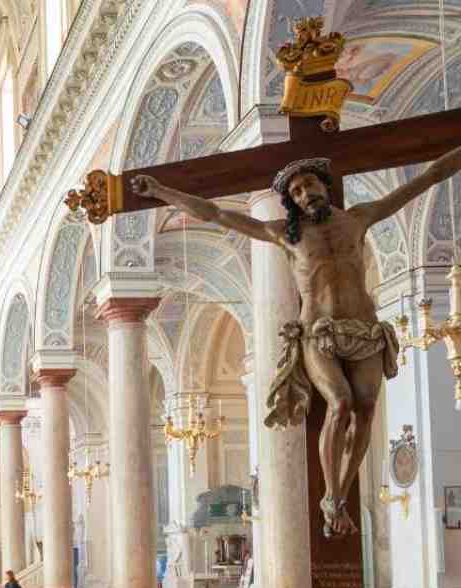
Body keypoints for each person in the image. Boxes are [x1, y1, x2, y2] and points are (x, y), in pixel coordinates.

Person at [132, 141, 461, 538]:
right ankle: (332, 497)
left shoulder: (359, 218)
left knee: (366, 410)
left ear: (325, 184)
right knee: (340, 403)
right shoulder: (286, 235)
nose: (305, 194)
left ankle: (339, 496)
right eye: (297, 192)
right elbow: (216, 214)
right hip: (318, 333)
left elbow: (426, 179)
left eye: (309, 185)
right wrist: (162, 192)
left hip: (364, 330)